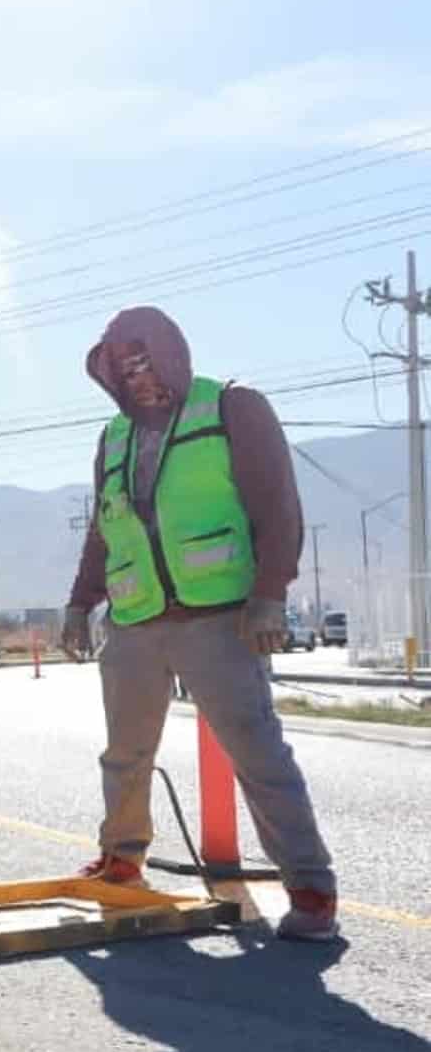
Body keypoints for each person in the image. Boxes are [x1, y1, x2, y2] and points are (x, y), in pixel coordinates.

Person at [60, 306, 337, 941]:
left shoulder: (232, 408)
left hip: (218, 619)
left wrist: (271, 593)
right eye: (121, 367)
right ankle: (123, 861)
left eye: (144, 360)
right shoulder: (115, 436)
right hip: (134, 620)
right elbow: (106, 527)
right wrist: (80, 601)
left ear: (172, 354)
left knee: (257, 752)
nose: (137, 377)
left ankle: (310, 886)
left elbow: (277, 503)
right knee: (125, 754)